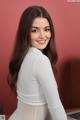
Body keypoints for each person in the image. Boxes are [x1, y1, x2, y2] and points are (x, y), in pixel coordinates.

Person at [8, 5, 67, 120]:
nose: (43, 36)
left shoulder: (23, 55)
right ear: (25, 33)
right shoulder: (40, 60)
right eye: (34, 30)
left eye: (46, 29)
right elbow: (55, 106)